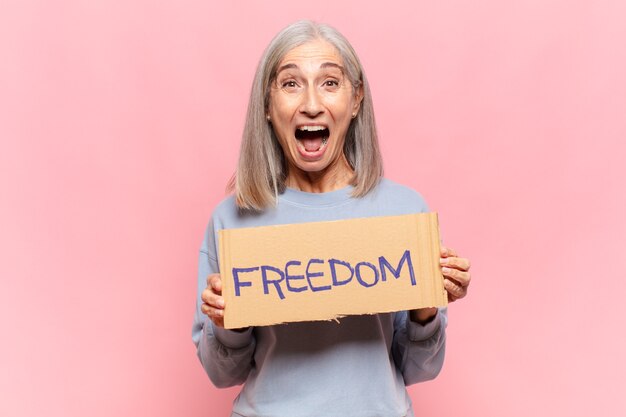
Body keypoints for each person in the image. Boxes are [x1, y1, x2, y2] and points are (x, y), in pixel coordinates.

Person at [192, 20, 471, 417]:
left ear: (355, 100)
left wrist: (426, 310)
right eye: (290, 84)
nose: (310, 103)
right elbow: (223, 375)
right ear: (268, 106)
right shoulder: (231, 219)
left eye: (330, 83)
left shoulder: (404, 211)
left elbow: (418, 369)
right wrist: (228, 323)